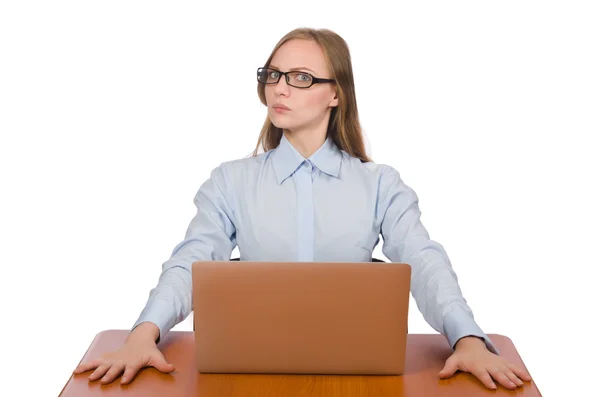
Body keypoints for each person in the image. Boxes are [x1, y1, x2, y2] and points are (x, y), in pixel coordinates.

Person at [74, 27, 532, 390]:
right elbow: (190, 261)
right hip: (249, 370)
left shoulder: (379, 184)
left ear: (336, 94)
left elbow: (424, 260)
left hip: (353, 373)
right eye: (272, 75)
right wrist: (142, 334)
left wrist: (468, 339)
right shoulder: (230, 181)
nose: (280, 89)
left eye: (301, 78)